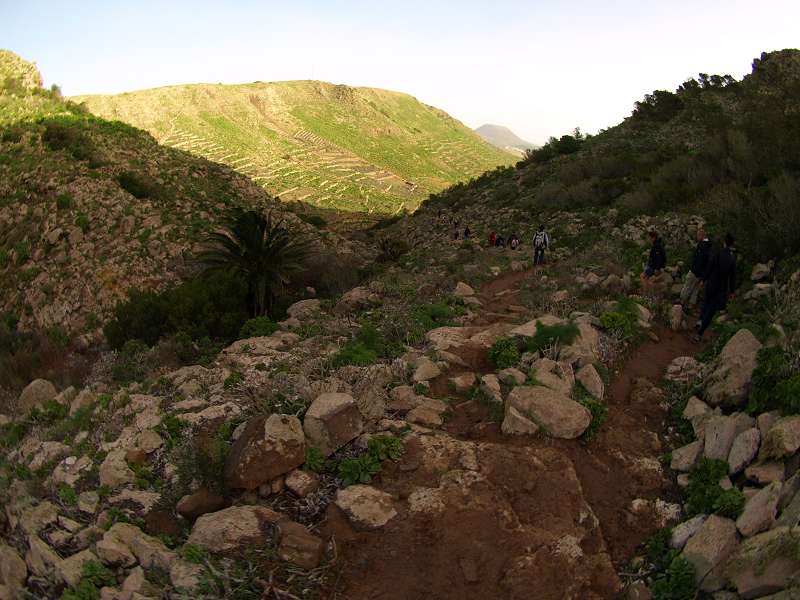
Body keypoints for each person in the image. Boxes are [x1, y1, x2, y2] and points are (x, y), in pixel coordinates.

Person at [694, 233, 737, 342]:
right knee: (711, 310)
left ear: (724, 242)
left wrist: (703, 280)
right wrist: (732, 291)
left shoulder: (718, 254)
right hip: (721, 289)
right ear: (732, 244)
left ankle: (699, 321)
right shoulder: (732, 259)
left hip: (711, 283)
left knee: (705, 302)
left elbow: (710, 267)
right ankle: (700, 333)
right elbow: (732, 277)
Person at [680, 228, 713, 310]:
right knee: (695, 289)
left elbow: (699, 260)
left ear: (701, 236)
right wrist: (704, 276)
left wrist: (694, 270)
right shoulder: (709, 246)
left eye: (698, 235)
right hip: (702, 274)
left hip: (695, 271)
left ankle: (682, 302)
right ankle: (691, 305)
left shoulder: (701, 245)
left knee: (688, 285)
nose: (697, 237)